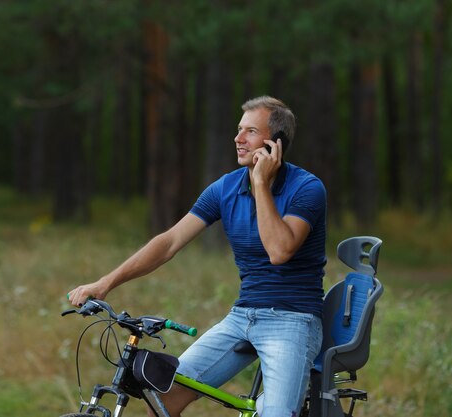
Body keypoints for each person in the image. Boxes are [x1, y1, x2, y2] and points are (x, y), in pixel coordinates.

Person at [68, 96, 327, 417]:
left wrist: (260, 183)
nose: (238, 138)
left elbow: (279, 251)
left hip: (293, 320)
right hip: (242, 317)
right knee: (162, 399)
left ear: (275, 143)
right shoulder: (225, 188)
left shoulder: (307, 188)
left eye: (250, 131)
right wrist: (106, 282)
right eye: (238, 129)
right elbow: (170, 241)